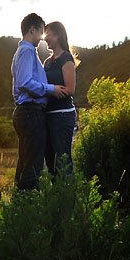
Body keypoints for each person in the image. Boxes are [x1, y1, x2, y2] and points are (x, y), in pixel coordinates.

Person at [10, 13, 69, 189]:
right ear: (33, 29)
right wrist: (52, 89)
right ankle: (27, 205)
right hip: (31, 112)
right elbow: (25, 83)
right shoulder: (27, 51)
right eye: (41, 32)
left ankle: (19, 204)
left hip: (27, 111)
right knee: (33, 164)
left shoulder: (24, 52)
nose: (42, 38)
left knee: (25, 160)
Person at [42, 21, 78, 176]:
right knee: (50, 162)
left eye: (48, 34)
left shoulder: (66, 58)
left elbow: (70, 89)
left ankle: (68, 198)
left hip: (62, 116)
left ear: (57, 35)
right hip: (47, 116)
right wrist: (51, 90)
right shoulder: (47, 62)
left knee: (63, 161)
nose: (45, 39)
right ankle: (56, 196)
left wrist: (49, 91)